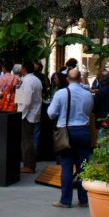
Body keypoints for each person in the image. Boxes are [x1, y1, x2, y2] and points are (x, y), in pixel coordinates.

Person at [47, 67, 94, 208]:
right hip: (84, 131)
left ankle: (65, 200)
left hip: (67, 132)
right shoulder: (88, 95)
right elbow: (89, 111)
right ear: (80, 78)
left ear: (67, 79)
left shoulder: (61, 93)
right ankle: (83, 199)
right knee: (83, 167)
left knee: (67, 166)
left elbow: (51, 113)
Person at [15, 63, 43, 173]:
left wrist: (20, 113)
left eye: (21, 67)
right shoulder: (35, 80)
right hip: (33, 113)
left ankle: (29, 165)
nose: (20, 69)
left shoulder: (27, 81)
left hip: (27, 114)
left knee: (27, 141)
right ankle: (29, 164)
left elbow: (26, 101)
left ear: (24, 69)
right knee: (28, 140)